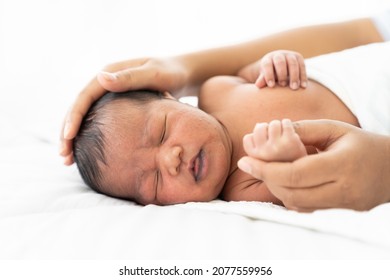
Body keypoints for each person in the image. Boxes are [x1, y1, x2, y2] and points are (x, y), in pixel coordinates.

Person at [61, 14, 390, 210]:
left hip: (364, 66)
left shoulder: (215, 88)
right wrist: (289, 157)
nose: (170, 160)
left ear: (172, 98)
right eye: (154, 182)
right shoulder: (241, 185)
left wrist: (275, 61)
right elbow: (299, 185)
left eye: (162, 132)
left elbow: (255, 72)